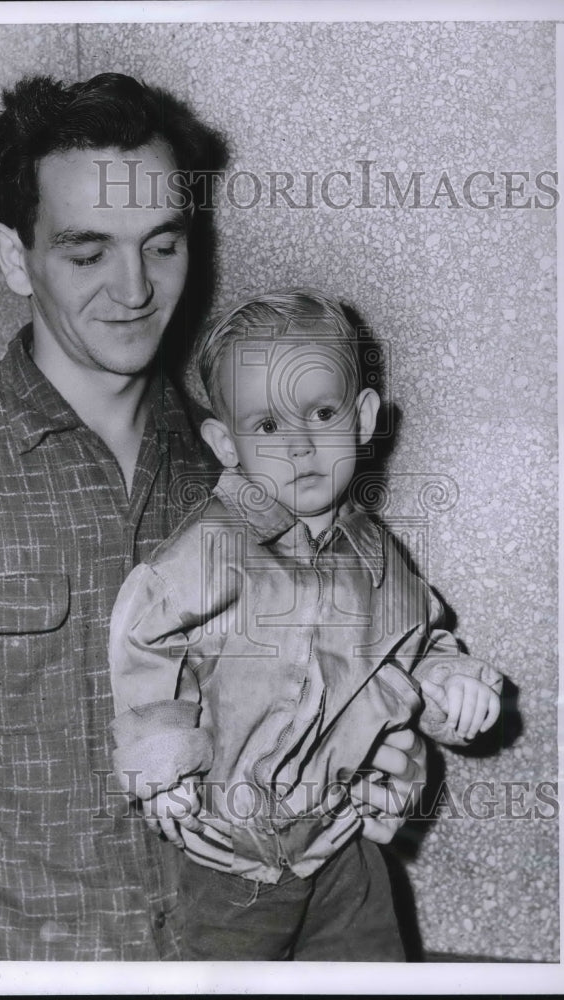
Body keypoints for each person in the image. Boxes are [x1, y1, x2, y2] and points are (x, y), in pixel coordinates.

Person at [0, 74, 425, 961]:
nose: (135, 288)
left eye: (162, 245)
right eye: (87, 253)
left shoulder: (260, 473)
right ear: (13, 256)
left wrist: (382, 760)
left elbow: (351, 680)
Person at [108, 289, 502, 961]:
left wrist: (451, 682)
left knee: (371, 969)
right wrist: (161, 758)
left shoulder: (375, 555)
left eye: (321, 412)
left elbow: (414, 641)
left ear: (363, 417)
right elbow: (145, 628)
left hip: (338, 843)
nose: (299, 446)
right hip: (227, 854)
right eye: (266, 427)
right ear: (225, 444)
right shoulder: (216, 546)